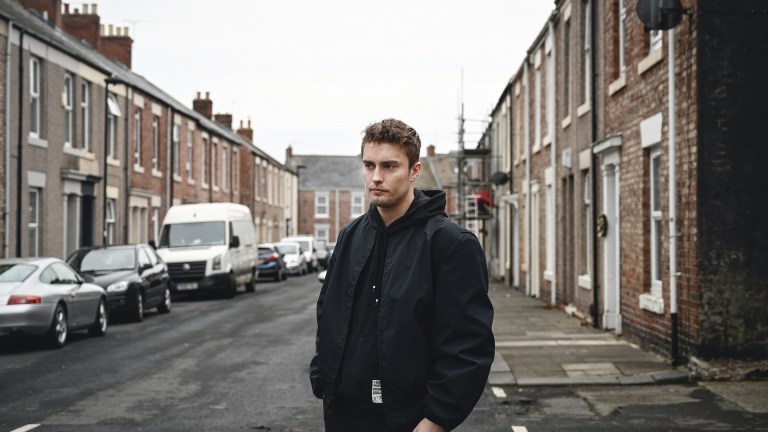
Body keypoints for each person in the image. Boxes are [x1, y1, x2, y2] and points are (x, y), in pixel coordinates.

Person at [309, 118, 495, 431]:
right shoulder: (350, 236)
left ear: (414, 171)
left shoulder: (450, 244)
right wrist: (323, 378)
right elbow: (329, 312)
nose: (376, 177)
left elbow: (468, 343)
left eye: (389, 166)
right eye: (369, 165)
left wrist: (437, 419)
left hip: (408, 419)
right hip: (344, 414)